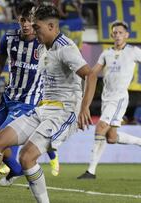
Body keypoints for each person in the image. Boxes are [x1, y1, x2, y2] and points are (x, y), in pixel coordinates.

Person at [0, 4, 97, 203]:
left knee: (26, 158)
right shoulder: (44, 45)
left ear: (52, 26)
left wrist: (85, 107)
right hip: (42, 108)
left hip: (63, 112)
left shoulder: (66, 48)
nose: (34, 31)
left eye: (37, 28)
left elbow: (91, 75)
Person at [0, 1, 60, 187]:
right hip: (8, 99)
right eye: (22, 20)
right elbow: (0, 62)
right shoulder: (9, 38)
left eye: (29, 21)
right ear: (18, 19)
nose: (25, 24)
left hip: (28, 103)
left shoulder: (46, 44)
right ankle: (17, 170)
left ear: (35, 21)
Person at [77, 20, 141, 179]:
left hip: (119, 98)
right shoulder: (106, 53)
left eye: (121, 32)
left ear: (126, 35)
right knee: (111, 138)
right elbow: (92, 73)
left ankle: (90, 171)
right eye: (115, 33)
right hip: (106, 98)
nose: (118, 35)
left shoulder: (133, 51)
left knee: (100, 127)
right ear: (112, 35)